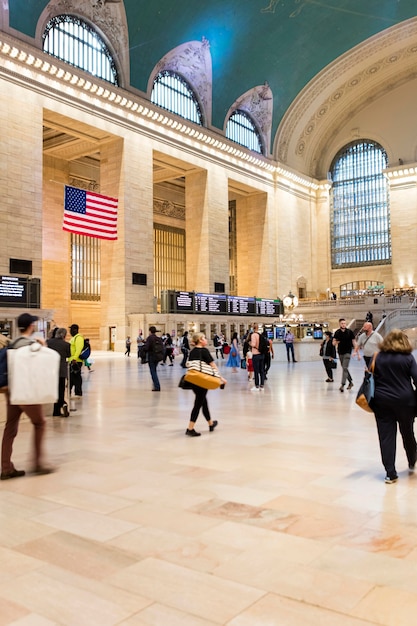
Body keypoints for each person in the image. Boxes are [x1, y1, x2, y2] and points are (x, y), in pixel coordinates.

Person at [1, 313, 54, 479]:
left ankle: (6, 467)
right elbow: (39, 370)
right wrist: (43, 346)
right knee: (39, 423)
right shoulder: (31, 346)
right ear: (31, 326)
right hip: (26, 392)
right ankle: (37, 463)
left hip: (11, 392)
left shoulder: (13, 343)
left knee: (10, 427)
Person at [371, 329, 417, 484]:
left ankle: (390, 473)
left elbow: (370, 377)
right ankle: (412, 460)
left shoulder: (378, 357)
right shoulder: (408, 358)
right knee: (407, 432)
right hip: (406, 402)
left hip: (382, 401)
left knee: (386, 437)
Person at [185, 332, 226, 437]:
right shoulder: (204, 351)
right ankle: (190, 428)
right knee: (198, 404)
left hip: (194, 380)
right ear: (200, 340)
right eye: (204, 338)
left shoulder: (193, 351)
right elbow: (213, 366)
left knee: (203, 402)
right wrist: (220, 378)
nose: (206, 340)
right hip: (203, 380)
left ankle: (210, 424)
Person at [47, 327, 71, 417]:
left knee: (54, 390)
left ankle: (56, 411)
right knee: (61, 390)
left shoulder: (48, 342)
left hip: (50, 370)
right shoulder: (66, 345)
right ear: (64, 335)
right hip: (61, 370)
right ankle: (62, 403)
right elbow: (69, 355)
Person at [333, 318, 357, 392]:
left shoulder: (349, 332)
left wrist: (356, 351)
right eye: (342, 323)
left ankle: (342, 385)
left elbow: (354, 341)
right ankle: (350, 382)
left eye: (344, 323)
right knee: (344, 368)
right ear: (339, 324)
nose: (343, 324)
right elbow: (333, 343)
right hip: (340, 352)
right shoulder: (337, 332)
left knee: (345, 367)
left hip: (348, 352)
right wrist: (336, 342)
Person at [143, 326, 162, 391]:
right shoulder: (158, 338)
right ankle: (155, 384)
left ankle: (157, 386)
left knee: (153, 371)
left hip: (151, 356)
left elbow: (146, 348)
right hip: (157, 356)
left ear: (150, 331)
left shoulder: (150, 338)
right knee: (154, 370)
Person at [68, 324, 84, 397]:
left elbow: (78, 349)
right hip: (72, 360)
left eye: (71, 330)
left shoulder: (79, 338)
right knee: (72, 377)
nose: (70, 332)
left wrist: (74, 358)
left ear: (75, 330)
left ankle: (78, 392)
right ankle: (70, 391)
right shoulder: (74, 338)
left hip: (76, 361)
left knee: (77, 377)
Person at [250, 323, 265, 390]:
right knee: (262, 370)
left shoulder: (253, 335)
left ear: (253, 328)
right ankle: (262, 385)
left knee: (256, 370)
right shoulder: (260, 335)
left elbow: (253, 344)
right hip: (261, 354)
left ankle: (256, 385)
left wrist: (250, 343)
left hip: (256, 354)